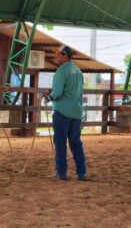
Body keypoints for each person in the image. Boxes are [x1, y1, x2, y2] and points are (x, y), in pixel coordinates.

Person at [44, 45, 87, 181]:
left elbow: (56, 94)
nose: (55, 56)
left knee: (60, 142)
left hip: (62, 111)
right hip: (76, 112)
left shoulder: (61, 71)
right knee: (76, 142)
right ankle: (81, 173)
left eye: (58, 54)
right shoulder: (78, 71)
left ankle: (61, 172)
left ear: (65, 56)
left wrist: (48, 97)